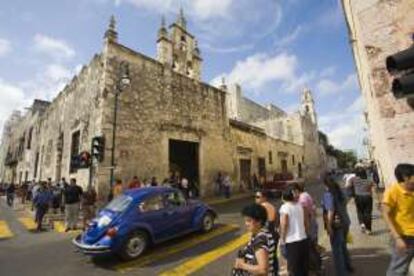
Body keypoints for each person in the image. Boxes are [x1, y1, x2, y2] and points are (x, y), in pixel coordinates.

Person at [382, 163, 414, 276]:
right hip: (404, 237)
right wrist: (397, 238)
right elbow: (386, 215)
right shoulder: (392, 191)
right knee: (398, 270)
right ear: (406, 177)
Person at [321, 176, 353, 276]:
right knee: (343, 247)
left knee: (337, 251)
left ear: (325, 184)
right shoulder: (339, 192)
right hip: (345, 221)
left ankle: (342, 273)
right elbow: (347, 201)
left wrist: (329, 226)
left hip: (336, 225)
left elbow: (330, 211)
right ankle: (348, 267)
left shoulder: (328, 195)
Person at [233, 203, 276, 275]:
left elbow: (263, 270)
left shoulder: (260, 240)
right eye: (246, 220)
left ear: (259, 221)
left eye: (249, 221)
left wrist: (242, 265)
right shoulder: (262, 233)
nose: (246, 223)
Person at [279, 186, 309, 276]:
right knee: (303, 268)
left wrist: (282, 239)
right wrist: (305, 233)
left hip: (291, 242)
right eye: (295, 193)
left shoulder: (285, 207)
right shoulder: (301, 206)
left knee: (294, 269)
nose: (297, 195)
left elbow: (284, 224)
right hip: (303, 240)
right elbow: (306, 223)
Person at [292, 183, 321, 273]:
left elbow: (305, 216)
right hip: (312, 224)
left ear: (296, 190)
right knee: (312, 247)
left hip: (309, 226)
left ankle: (316, 268)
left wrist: (306, 231)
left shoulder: (303, 198)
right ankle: (317, 267)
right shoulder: (305, 195)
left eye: (292, 192)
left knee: (311, 248)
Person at [346, 167, 376, 235]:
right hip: (368, 197)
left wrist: (352, 190)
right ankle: (368, 229)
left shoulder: (353, 179)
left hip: (358, 197)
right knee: (368, 213)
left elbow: (347, 186)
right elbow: (374, 187)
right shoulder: (369, 179)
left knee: (359, 211)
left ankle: (362, 224)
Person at [255, 190, 279, 274]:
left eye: (258, 197)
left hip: (265, 236)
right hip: (274, 235)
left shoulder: (261, 208)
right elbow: (277, 222)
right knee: (273, 256)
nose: (256, 199)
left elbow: (258, 225)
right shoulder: (272, 206)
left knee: (263, 258)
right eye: (255, 197)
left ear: (264, 197)